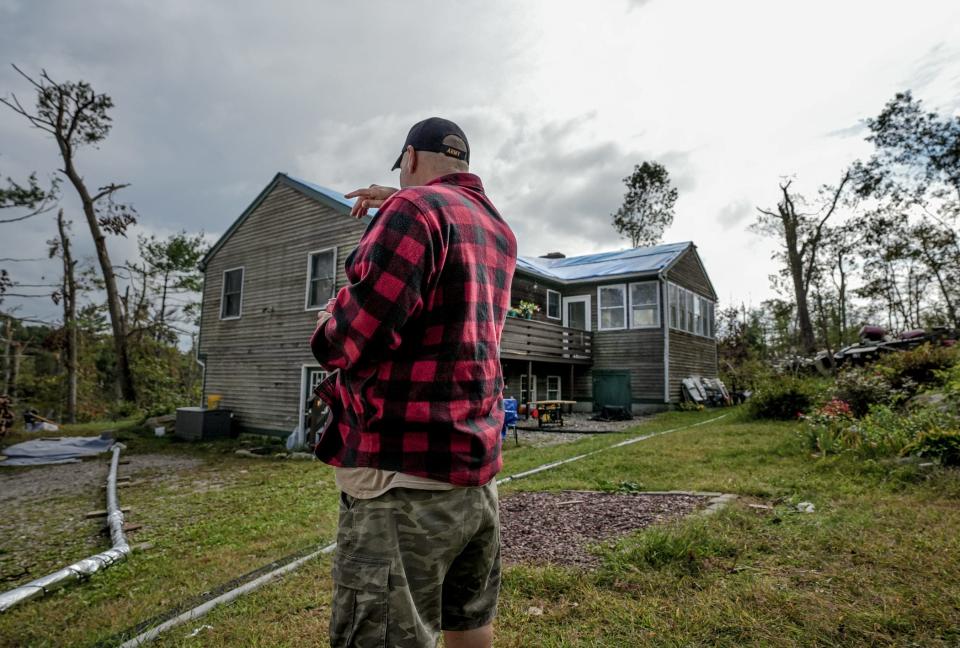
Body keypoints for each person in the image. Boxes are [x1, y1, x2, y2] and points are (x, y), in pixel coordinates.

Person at [310, 117, 517, 648]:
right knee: (468, 626)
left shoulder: (414, 209)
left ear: (409, 158)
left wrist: (326, 325)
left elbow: (357, 334)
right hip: (474, 478)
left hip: (402, 481)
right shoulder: (497, 228)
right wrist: (402, 202)